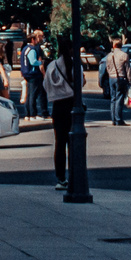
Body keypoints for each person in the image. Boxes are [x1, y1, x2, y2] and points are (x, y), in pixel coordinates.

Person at [45, 47, 79, 185]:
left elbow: (45, 84)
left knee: (60, 143)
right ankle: (74, 175)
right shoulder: (74, 64)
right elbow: (80, 83)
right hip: (72, 103)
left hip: (57, 105)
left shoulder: (52, 65)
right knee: (74, 142)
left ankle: (60, 177)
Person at [103, 38, 131, 125]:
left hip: (112, 77)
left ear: (113, 45)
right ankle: (119, 119)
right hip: (121, 77)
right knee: (119, 98)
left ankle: (113, 119)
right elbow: (128, 70)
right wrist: (129, 81)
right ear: (121, 45)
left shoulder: (109, 56)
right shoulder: (124, 55)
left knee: (113, 98)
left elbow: (107, 68)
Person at [21, 30, 47, 119]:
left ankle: (28, 114)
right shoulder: (32, 49)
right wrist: (41, 62)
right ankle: (33, 114)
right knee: (33, 94)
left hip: (26, 73)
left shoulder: (25, 48)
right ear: (32, 39)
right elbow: (33, 62)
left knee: (29, 94)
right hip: (33, 73)